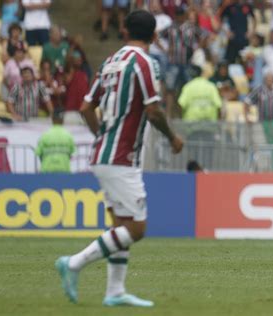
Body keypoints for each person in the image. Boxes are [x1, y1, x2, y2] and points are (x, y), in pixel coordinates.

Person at [55, 10, 184, 307]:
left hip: (104, 153)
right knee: (136, 229)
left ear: (124, 32)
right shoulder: (144, 63)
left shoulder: (110, 62)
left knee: (121, 224)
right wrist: (173, 137)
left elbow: (87, 108)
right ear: (154, 36)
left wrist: (103, 135)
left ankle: (114, 291)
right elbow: (153, 110)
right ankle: (73, 263)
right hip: (121, 157)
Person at [36, 108, 75, 172]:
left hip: (47, 170)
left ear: (52, 119)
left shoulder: (45, 135)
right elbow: (71, 154)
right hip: (64, 170)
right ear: (62, 120)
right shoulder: (68, 135)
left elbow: (39, 153)